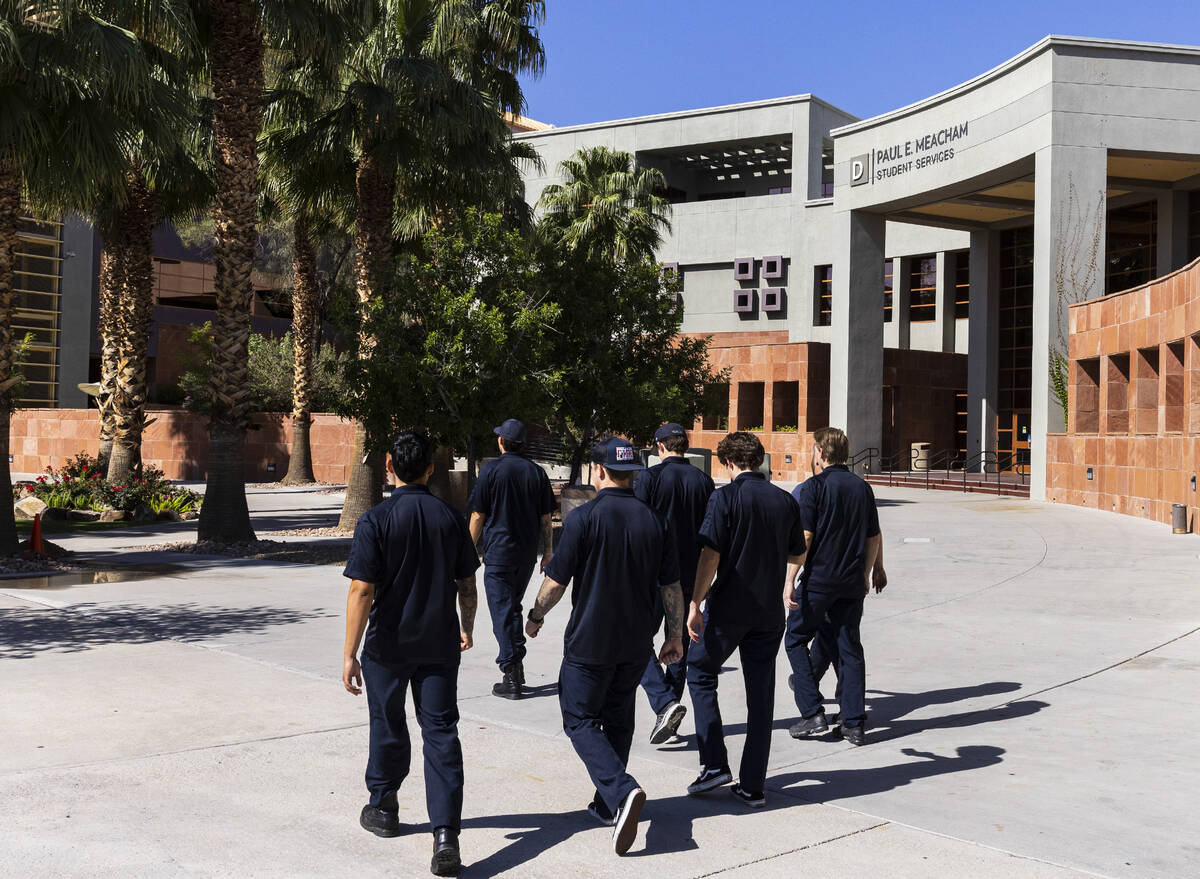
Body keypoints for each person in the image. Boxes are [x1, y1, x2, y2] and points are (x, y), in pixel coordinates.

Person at [525, 437, 685, 855]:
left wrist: (535, 615)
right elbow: (671, 585)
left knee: (578, 719)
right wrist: (673, 635)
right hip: (636, 641)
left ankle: (621, 790)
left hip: (590, 641)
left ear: (599, 471)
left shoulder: (584, 518)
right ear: (633, 473)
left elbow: (556, 583)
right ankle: (606, 803)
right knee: (618, 719)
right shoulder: (655, 520)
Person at [342, 431, 480, 877]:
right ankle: (446, 835)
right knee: (440, 732)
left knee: (387, 721)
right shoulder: (451, 518)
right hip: (438, 642)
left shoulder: (376, 520)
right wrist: (467, 624)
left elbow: (363, 588)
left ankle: (383, 807)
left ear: (388, 466)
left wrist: (349, 652)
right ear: (429, 468)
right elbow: (466, 582)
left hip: (387, 645)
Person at [685, 432, 805, 808]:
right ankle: (753, 785)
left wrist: (695, 601)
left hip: (730, 607)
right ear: (759, 459)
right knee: (761, 698)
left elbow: (710, 555)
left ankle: (715, 764)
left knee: (700, 671)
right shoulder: (784, 500)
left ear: (729, 464)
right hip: (768, 611)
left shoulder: (725, 497)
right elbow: (798, 554)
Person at [784, 427, 883, 747]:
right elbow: (873, 536)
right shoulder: (862, 487)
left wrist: (790, 577)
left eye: (814, 450)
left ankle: (812, 711)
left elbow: (807, 537)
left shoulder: (814, 488)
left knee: (795, 639)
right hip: (852, 581)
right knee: (849, 647)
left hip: (820, 580)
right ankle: (853, 723)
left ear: (822, 454)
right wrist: (867, 572)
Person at [635, 423, 715, 745]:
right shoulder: (705, 481)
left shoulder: (650, 478)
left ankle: (664, 702)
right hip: (691, 575)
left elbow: (639, 524)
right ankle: (669, 715)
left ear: (660, 447)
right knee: (679, 641)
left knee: (636, 638)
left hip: (655, 574)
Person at [467, 418, 555, 700]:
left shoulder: (490, 471)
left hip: (499, 553)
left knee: (501, 612)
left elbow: (478, 515)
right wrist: (549, 551)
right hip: (527, 555)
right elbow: (546, 518)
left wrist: (467, 549)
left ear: (501, 441)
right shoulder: (537, 473)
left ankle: (511, 671)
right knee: (510, 608)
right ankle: (515, 664)